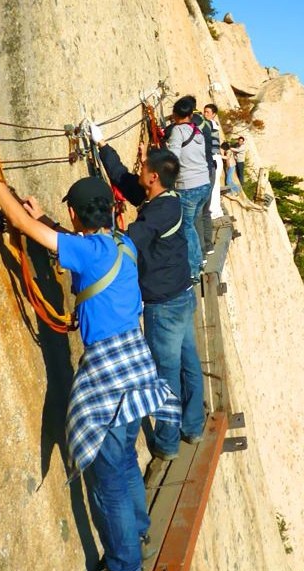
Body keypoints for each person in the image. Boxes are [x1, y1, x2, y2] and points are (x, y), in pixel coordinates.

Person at [0, 156, 178, 571]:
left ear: (74, 214)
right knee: (124, 463)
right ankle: (138, 539)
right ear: (110, 211)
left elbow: (29, 233)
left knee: (106, 479)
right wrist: (40, 215)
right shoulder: (123, 245)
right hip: (135, 368)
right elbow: (65, 240)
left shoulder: (86, 251)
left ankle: (124, 569)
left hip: (107, 373)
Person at [89, 122, 206, 465]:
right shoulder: (165, 200)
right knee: (188, 362)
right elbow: (125, 180)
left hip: (164, 304)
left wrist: (89, 244)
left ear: (154, 177)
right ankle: (193, 426)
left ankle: (168, 443)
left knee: (166, 373)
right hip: (181, 295)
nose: (140, 168)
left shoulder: (159, 211)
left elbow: (131, 241)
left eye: (145, 167)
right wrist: (103, 146)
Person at [164, 95, 212, 282]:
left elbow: (173, 159)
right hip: (204, 184)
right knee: (192, 224)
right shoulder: (197, 131)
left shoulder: (178, 131)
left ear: (175, 114)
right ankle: (198, 261)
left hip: (189, 186)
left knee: (187, 227)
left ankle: (193, 269)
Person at [202, 103, 224, 224]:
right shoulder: (214, 124)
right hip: (216, 158)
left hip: (214, 158)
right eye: (204, 112)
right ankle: (214, 210)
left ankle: (213, 211)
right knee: (214, 186)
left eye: (208, 112)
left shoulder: (210, 124)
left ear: (214, 114)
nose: (205, 114)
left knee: (213, 186)